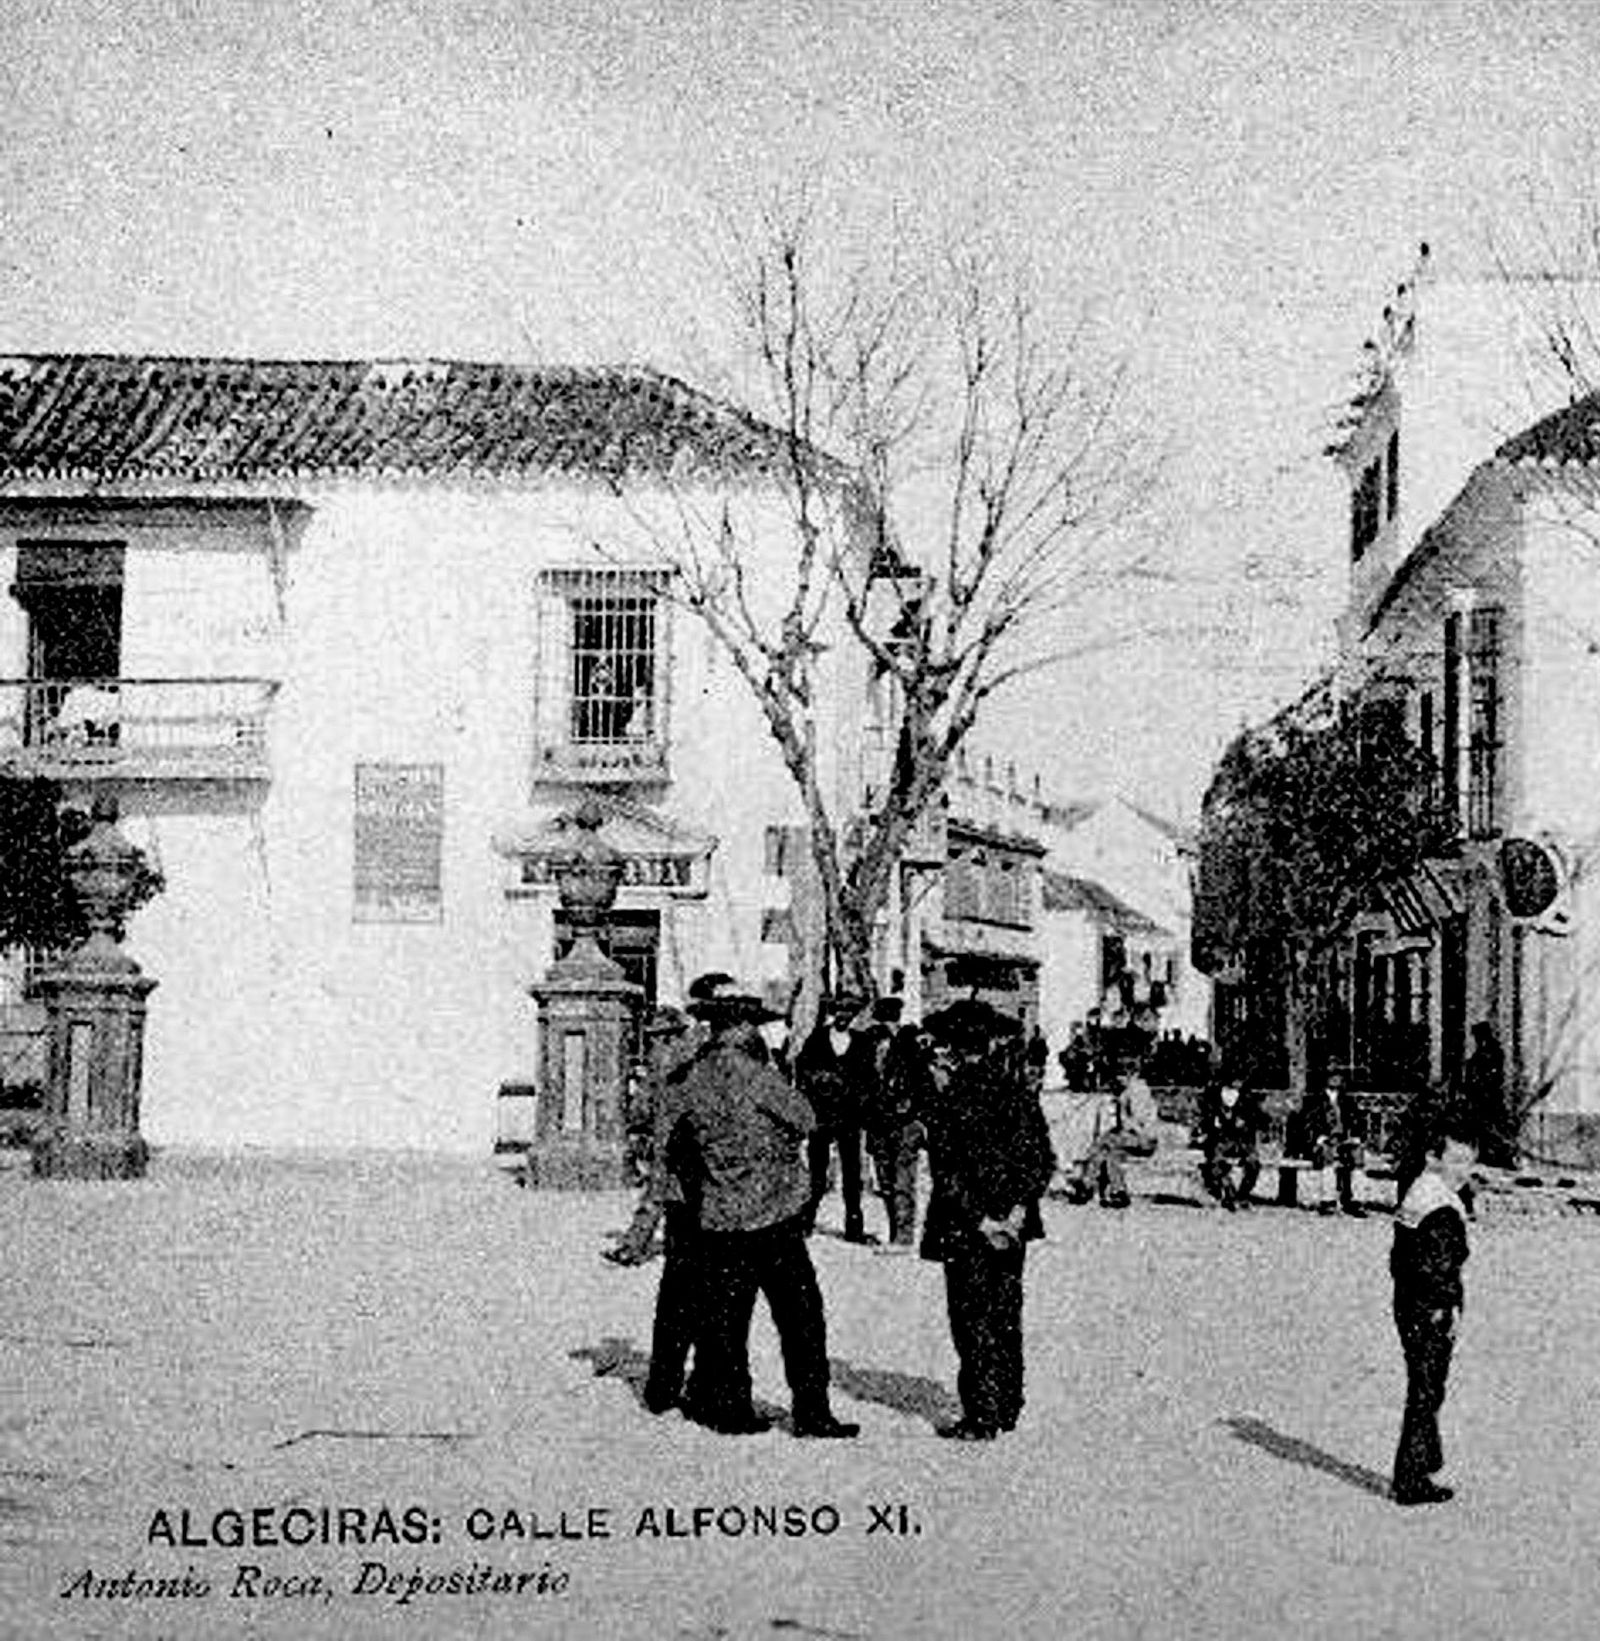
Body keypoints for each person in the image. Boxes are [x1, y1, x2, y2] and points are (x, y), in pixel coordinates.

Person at [666, 983, 859, 1439]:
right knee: (801, 1318)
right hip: (773, 1214)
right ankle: (812, 1412)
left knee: (728, 1320)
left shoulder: (694, 1076)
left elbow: (681, 1142)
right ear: (745, 1026)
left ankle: (730, 1408)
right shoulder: (757, 1074)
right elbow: (806, 1118)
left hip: (719, 1212)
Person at [919, 999, 1057, 1441]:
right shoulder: (1018, 1094)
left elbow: (946, 1173)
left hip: (965, 1226)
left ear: (955, 1049)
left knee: (970, 1315)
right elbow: (1041, 1161)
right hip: (1013, 1225)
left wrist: (980, 1221)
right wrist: (1015, 1212)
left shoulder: (946, 1100)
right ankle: (1009, 1403)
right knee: (1006, 1309)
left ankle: (981, 1413)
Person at [1390, 1112, 1478, 1506]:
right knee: (1426, 1390)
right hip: (1429, 1308)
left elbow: (1400, 1259)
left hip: (1408, 1301)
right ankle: (1411, 1478)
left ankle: (1424, 1460)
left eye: (1468, 1160)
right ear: (1433, 1158)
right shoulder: (1441, 1206)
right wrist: (1445, 1309)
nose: (1464, 1170)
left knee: (1425, 1387)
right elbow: (1440, 1267)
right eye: (1456, 1160)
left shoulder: (1419, 1192)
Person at [602, 1005, 692, 1266]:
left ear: (665, 1034)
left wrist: (635, 1124)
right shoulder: (693, 1056)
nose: (651, 1039)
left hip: (665, 1134)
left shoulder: (659, 1058)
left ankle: (633, 1247)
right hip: (693, 1133)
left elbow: (642, 1104)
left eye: (655, 1034)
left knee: (655, 1192)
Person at [793, 994, 873, 1242]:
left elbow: (869, 1078)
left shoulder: (862, 1042)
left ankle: (854, 1225)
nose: (844, 1016)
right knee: (817, 1170)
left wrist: (858, 1097)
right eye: (839, 1011)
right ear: (833, 1012)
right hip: (822, 1115)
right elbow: (802, 1070)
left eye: (849, 1012)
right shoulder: (817, 1038)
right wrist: (821, 1081)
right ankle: (806, 1220)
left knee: (852, 1172)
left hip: (849, 1115)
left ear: (855, 1015)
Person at [861, 999, 931, 1247]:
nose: (886, 1025)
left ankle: (903, 1235)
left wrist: (918, 1114)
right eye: (883, 1020)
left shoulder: (912, 1043)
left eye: (890, 1019)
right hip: (878, 1122)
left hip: (905, 1122)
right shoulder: (868, 1043)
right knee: (886, 1181)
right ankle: (895, 1231)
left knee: (903, 1181)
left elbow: (924, 1083)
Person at [1067, 1061, 1157, 1209]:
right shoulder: (1130, 1090)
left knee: (1105, 1142)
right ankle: (1117, 1191)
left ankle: (1087, 1186)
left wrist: (1122, 1123)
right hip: (1133, 1138)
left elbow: (1138, 1123)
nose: (1118, 1079)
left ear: (1131, 1074)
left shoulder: (1137, 1091)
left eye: (1121, 1076)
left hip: (1144, 1139)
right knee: (1110, 1152)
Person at [1198, 1080, 1262, 1210]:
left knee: (1253, 1163)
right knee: (1215, 1162)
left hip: (1241, 1141)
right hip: (1220, 1141)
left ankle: (1242, 1195)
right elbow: (1205, 1122)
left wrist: (1246, 1124)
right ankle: (1228, 1192)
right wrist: (1212, 1125)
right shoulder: (1213, 1097)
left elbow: (1257, 1120)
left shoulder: (1246, 1099)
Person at [1462, 1021, 1511, 1167]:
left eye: (1477, 1036)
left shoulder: (1492, 1052)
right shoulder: (1484, 1051)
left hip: (1489, 1098)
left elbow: (1492, 1076)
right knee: (1481, 1128)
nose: (1475, 1039)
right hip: (1481, 1098)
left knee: (1492, 1127)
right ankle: (1485, 1155)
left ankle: (1498, 1157)